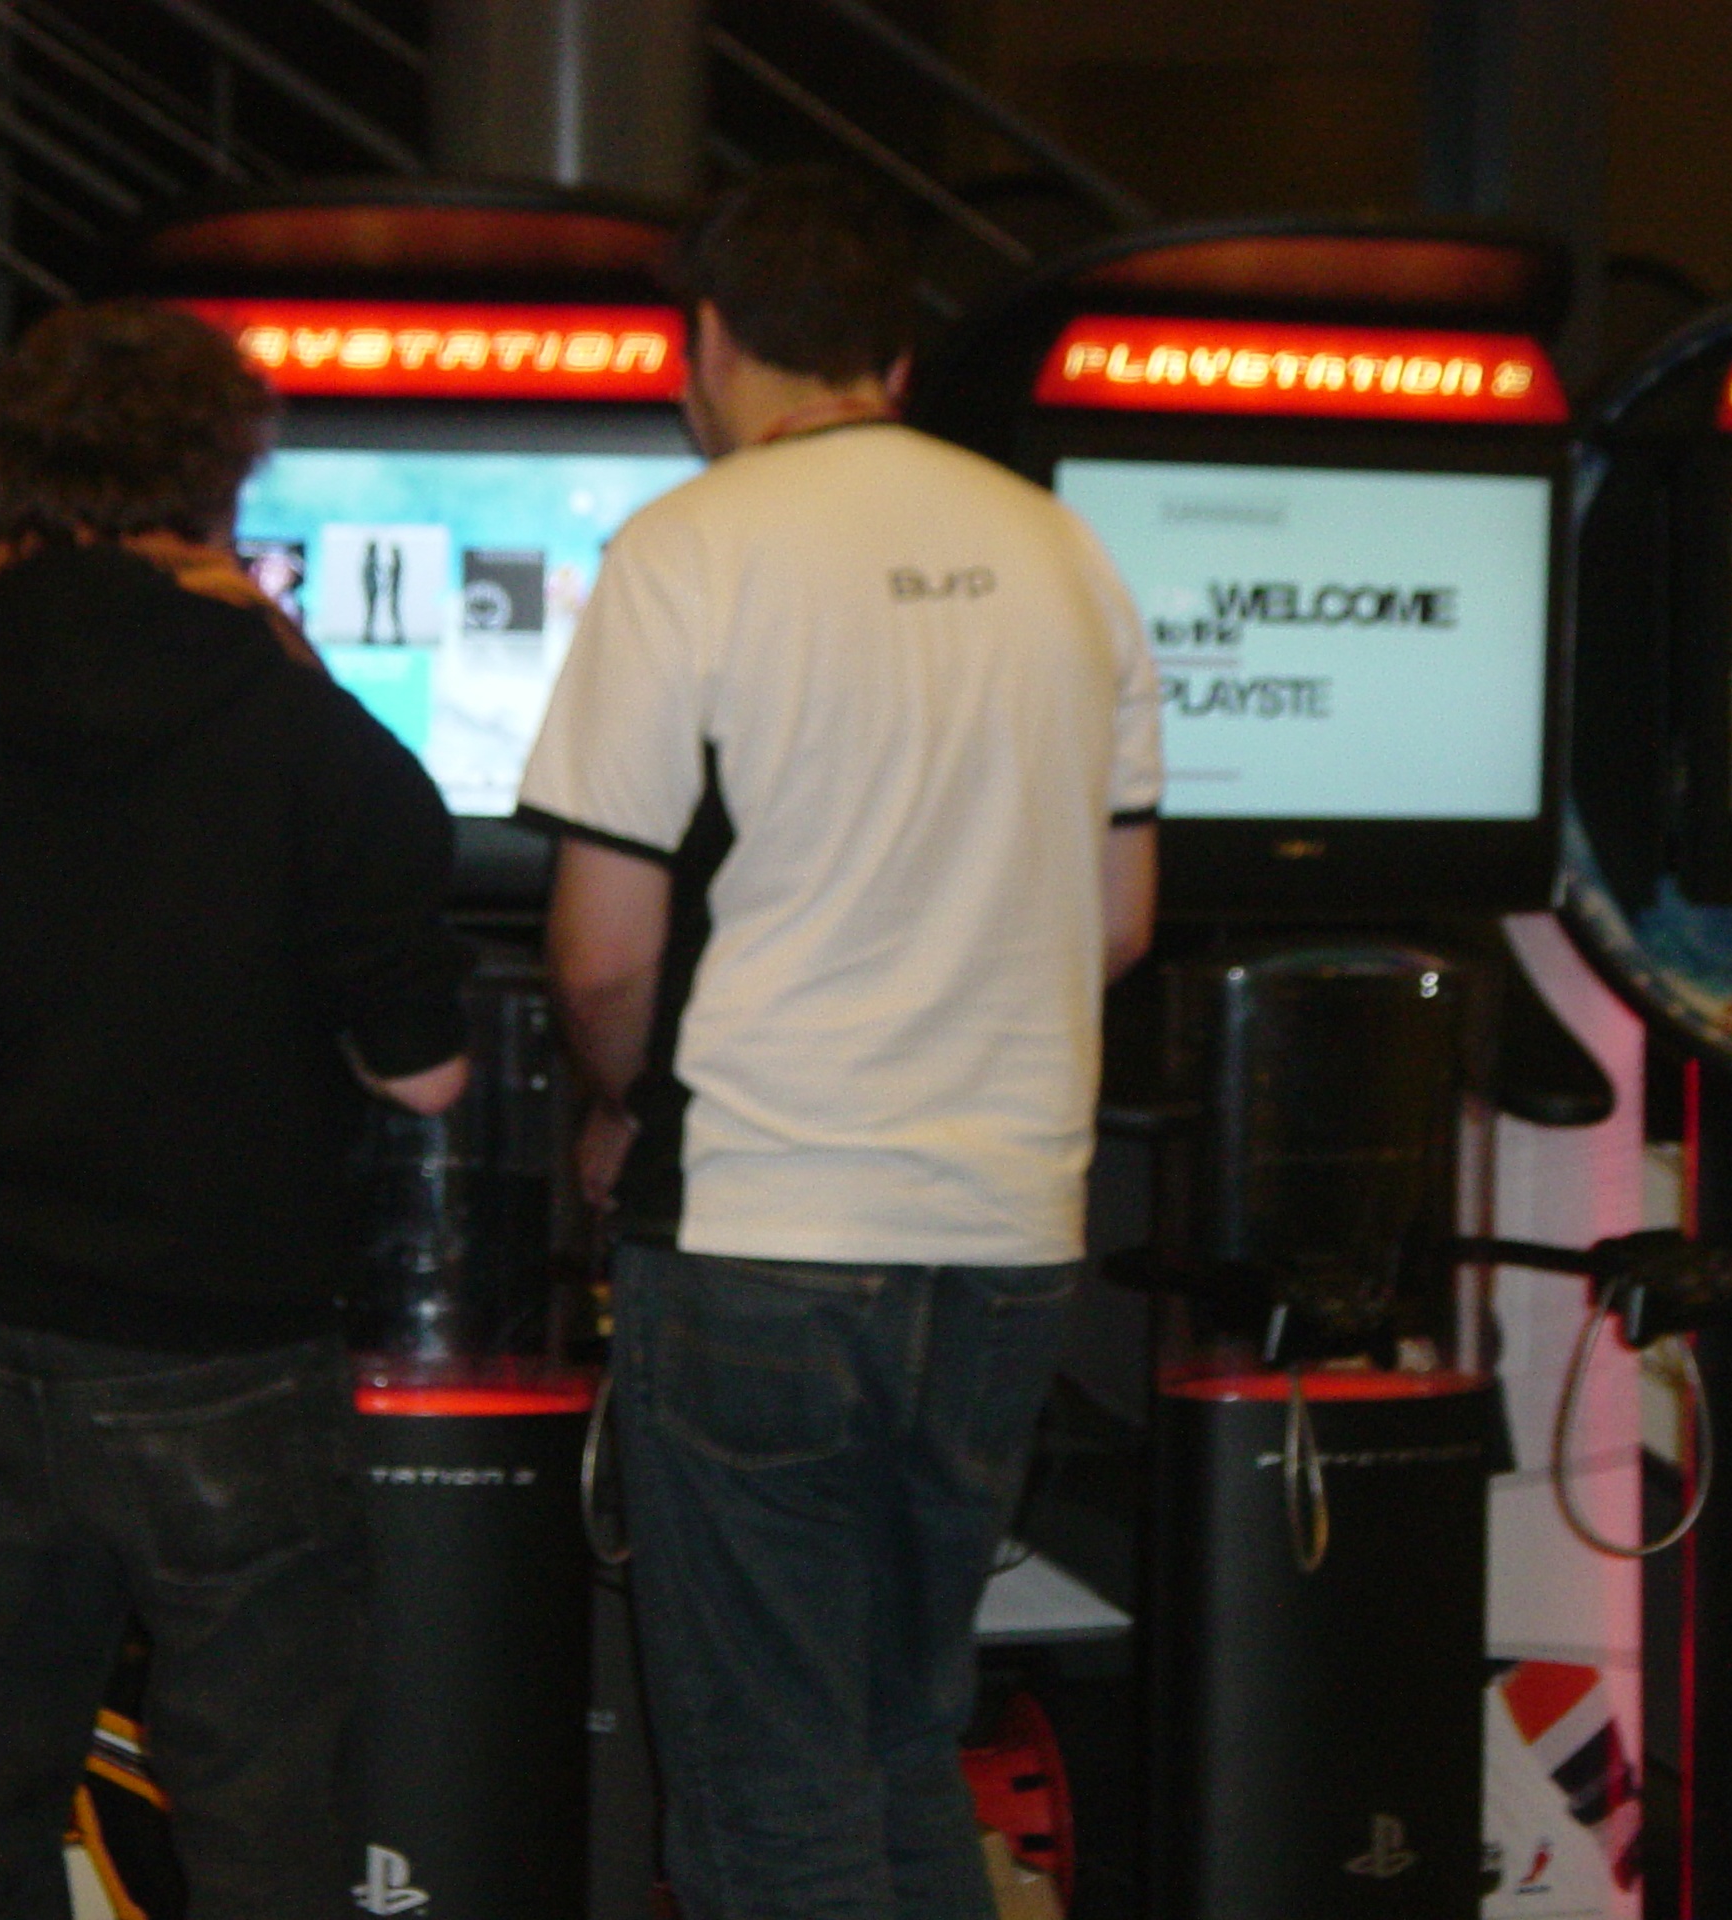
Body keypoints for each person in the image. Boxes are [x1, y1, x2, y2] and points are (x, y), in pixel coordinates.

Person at [0, 298, 471, 1920]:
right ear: (225, 484)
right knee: (264, 1831)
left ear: (7, 486)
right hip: (234, 1354)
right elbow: (420, 1070)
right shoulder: (312, 741)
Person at [515, 166, 1162, 1920]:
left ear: (710, 343)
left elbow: (601, 949)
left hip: (764, 1224)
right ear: (896, 355)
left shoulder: (691, 548)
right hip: (1007, 1236)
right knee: (898, 1737)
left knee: (767, 1787)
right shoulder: (1064, 552)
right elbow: (1119, 921)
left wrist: (627, 1106)